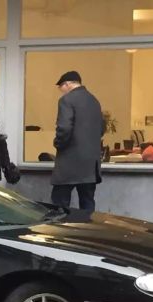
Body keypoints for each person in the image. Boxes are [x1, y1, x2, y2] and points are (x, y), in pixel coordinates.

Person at [51, 71, 104, 212]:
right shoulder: (94, 101)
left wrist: (58, 143)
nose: (61, 91)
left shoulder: (66, 100)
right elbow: (102, 129)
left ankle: (61, 233)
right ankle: (88, 232)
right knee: (87, 204)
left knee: (60, 205)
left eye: (60, 87)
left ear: (67, 84)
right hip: (90, 165)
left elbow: (64, 128)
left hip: (70, 162)